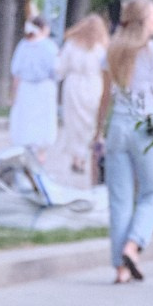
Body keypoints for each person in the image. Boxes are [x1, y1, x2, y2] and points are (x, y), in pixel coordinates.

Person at [93, 0, 153, 283]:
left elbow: (105, 98)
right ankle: (134, 244)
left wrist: (98, 131)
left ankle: (120, 268)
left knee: (120, 200)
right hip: (149, 127)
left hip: (118, 127)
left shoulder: (112, 52)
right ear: (144, 21)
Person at [55, 12, 110, 190]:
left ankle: (76, 158)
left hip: (74, 86)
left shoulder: (71, 45)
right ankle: (88, 156)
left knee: (74, 123)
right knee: (91, 123)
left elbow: (60, 68)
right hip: (94, 85)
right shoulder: (102, 48)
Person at [5, 10, 60, 178]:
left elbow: (17, 72)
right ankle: (40, 154)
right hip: (44, 88)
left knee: (25, 119)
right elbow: (56, 70)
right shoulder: (49, 46)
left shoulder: (23, 45)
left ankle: (27, 153)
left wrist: (13, 94)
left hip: (26, 88)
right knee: (42, 120)